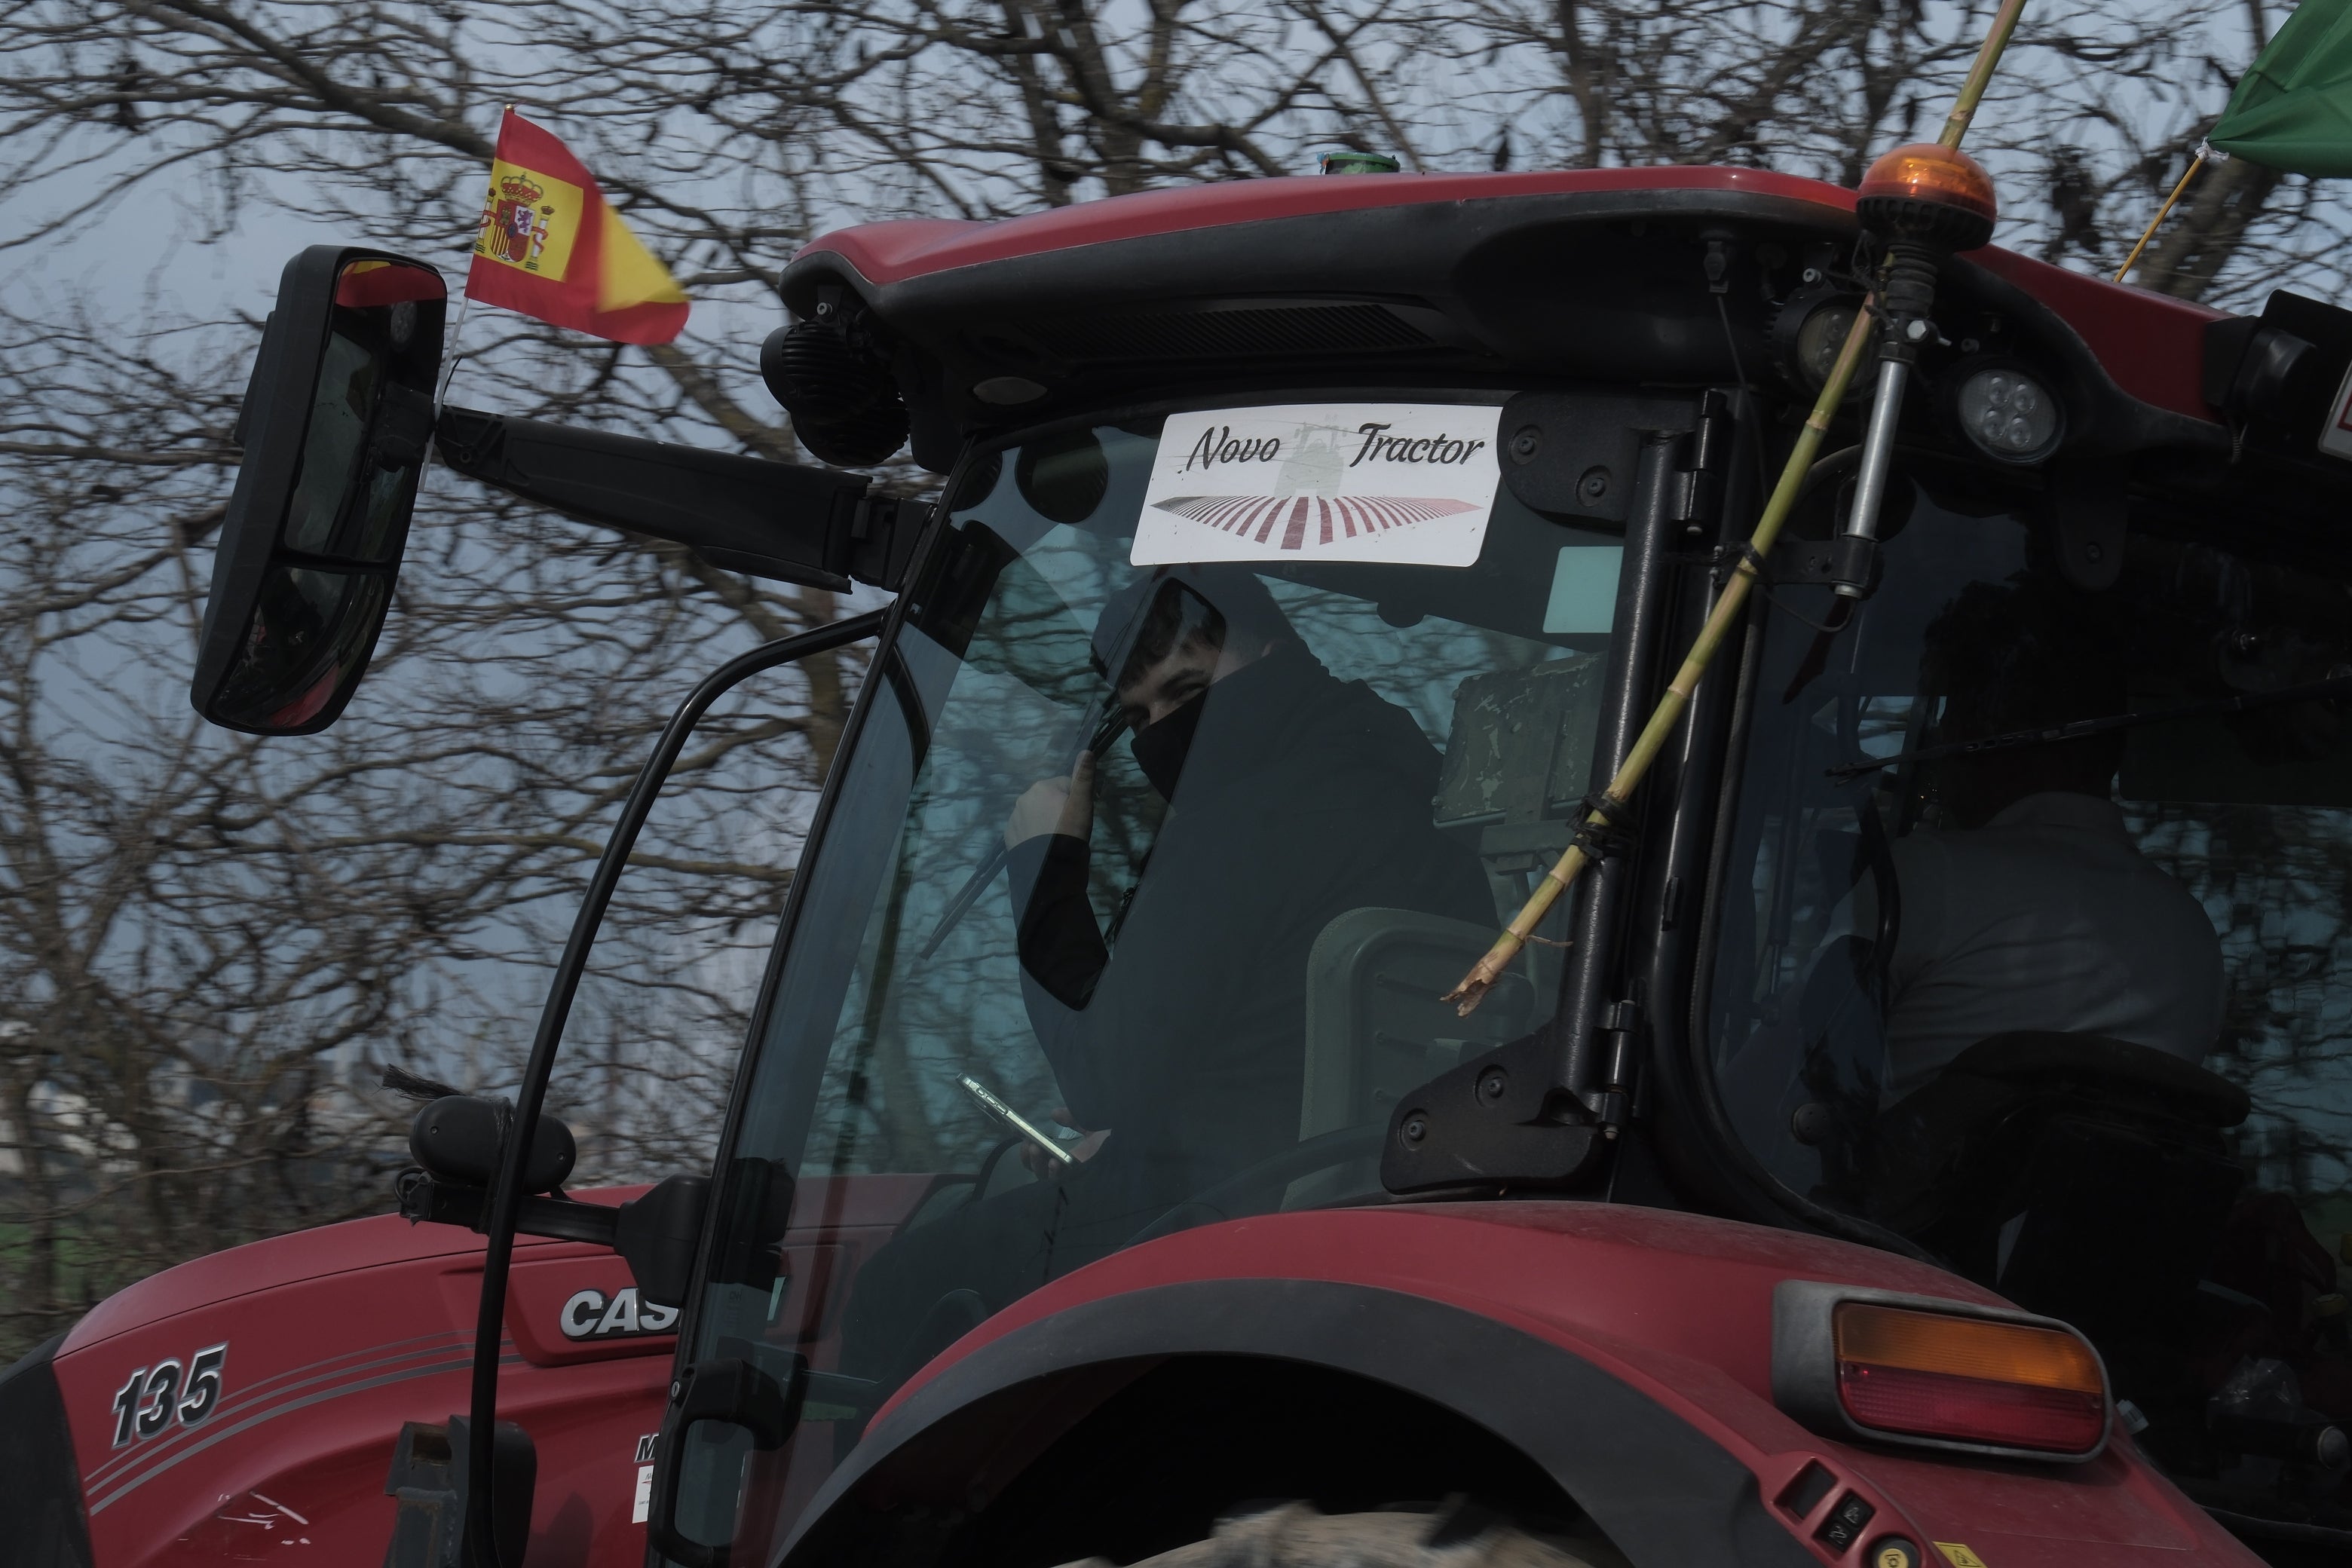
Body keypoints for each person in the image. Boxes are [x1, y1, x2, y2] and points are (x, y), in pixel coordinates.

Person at [836, 565, 1490, 1390]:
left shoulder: (1243, 823)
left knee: (897, 1288)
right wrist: (1149, 1120)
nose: (1163, 734)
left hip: (1221, 1207)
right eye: (1141, 715)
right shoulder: (1413, 790)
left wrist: (1045, 866)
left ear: (1274, 651)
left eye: (1187, 689)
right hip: (1354, 1175)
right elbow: (1267, 1035)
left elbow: (1107, 1075)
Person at [1859, 580, 2226, 1101]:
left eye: (1952, 711)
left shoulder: (1924, 876)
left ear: (1982, 732)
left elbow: (1769, 1091)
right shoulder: (2194, 932)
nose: (1939, 740)